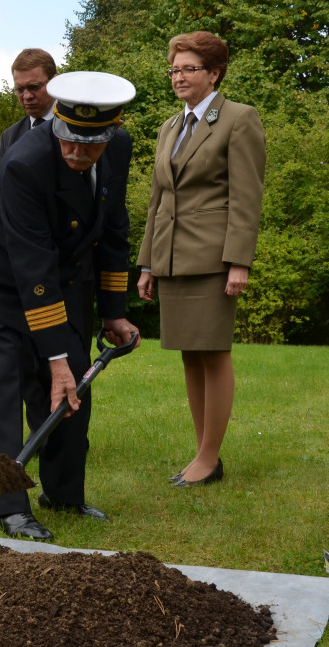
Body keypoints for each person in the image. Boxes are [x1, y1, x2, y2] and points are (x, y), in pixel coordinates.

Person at [0, 71, 140, 540]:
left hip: (57, 269)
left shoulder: (119, 149)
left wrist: (114, 311)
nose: (76, 152)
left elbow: (113, 230)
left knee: (75, 378)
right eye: (67, 139)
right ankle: (7, 506)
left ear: (111, 132)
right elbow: (29, 266)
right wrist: (52, 357)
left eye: (89, 143)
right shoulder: (25, 163)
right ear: (56, 124)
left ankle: (63, 493)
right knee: (9, 371)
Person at [137, 32, 266, 488]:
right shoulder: (169, 127)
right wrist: (148, 263)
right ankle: (202, 454)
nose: (179, 77)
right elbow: (157, 200)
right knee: (190, 356)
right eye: (174, 69)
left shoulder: (238, 119)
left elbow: (246, 197)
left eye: (189, 68)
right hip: (172, 257)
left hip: (213, 258)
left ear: (214, 73)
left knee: (213, 353)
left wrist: (239, 262)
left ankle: (209, 459)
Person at [0, 48, 58, 181]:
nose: (27, 96)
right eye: (20, 89)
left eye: (34, 87)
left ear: (54, 82)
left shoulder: (77, 125)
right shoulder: (9, 137)